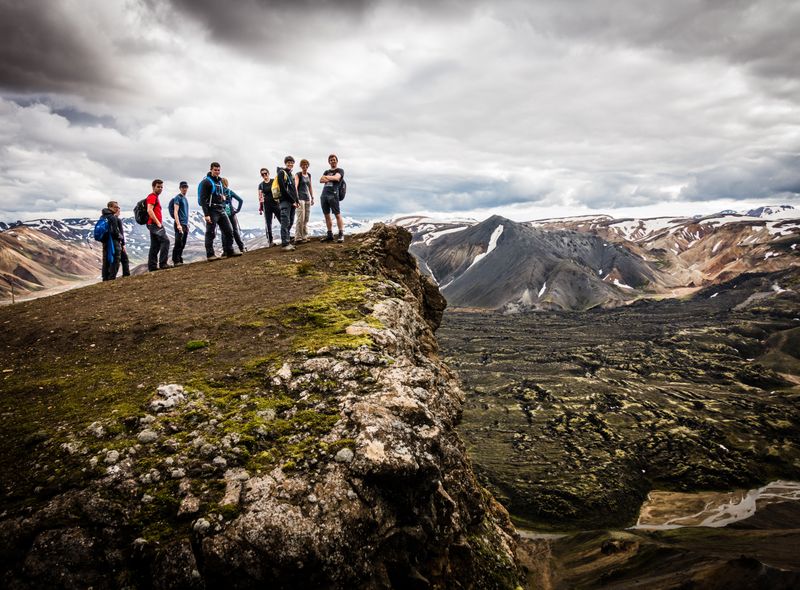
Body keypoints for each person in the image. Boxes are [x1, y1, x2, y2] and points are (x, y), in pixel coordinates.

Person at [200, 162, 240, 260]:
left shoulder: (220, 181)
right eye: (215, 170)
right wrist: (206, 214)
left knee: (229, 230)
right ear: (211, 170)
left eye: (218, 170)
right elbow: (202, 199)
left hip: (221, 209)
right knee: (211, 232)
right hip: (212, 210)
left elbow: (219, 195)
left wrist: (222, 197)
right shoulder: (206, 182)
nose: (217, 172)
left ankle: (230, 251)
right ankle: (210, 255)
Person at [319, 153, 345, 243]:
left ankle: (341, 234)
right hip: (324, 195)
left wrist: (327, 177)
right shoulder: (326, 171)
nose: (332, 161)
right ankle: (330, 235)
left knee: (337, 214)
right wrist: (331, 177)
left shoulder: (340, 170)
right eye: (331, 160)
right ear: (329, 162)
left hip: (333, 194)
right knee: (326, 215)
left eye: (334, 159)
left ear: (336, 161)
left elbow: (337, 178)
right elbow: (321, 180)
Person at [146, 179, 171, 271]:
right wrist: (158, 223)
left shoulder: (155, 197)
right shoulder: (152, 196)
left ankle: (152, 267)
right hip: (154, 224)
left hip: (152, 224)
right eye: (158, 187)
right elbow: (149, 210)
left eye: (161, 187)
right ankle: (163, 263)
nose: (160, 189)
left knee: (155, 245)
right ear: (153, 187)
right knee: (166, 241)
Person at [277, 156, 299, 251]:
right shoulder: (282, 173)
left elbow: (293, 189)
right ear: (285, 163)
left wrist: (297, 200)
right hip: (285, 202)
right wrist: (292, 201)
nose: (290, 164)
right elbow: (282, 189)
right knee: (285, 222)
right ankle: (285, 244)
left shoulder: (291, 174)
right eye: (288, 162)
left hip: (292, 202)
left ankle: (287, 241)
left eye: (292, 162)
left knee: (290, 221)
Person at [221, 177, 246, 253]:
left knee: (224, 232)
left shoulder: (219, 192)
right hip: (231, 213)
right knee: (235, 230)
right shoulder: (229, 191)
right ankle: (241, 248)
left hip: (222, 213)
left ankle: (225, 250)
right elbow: (240, 200)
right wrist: (237, 210)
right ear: (226, 183)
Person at [100, 201, 122, 281]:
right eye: (115, 207)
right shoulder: (112, 217)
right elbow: (115, 232)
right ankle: (112, 277)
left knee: (106, 259)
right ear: (110, 207)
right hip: (113, 241)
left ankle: (105, 278)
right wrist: (120, 237)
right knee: (115, 259)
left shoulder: (102, 216)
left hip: (105, 241)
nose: (117, 208)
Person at [169, 181, 190, 265]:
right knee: (178, 242)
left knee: (183, 243)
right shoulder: (178, 198)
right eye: (183, 187)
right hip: (179, 224)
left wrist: (186, 224)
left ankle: (179, 259)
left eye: (186, 187)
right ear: (180, 188)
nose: (184, 189)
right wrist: (178, 224)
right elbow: (175, 212)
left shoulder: (185, 199)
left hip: (184, 224)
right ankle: (176, 260)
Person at [258, 168, 280, 247]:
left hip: (276, 204)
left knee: (282, 220)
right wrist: (261, 204)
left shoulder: (274, 181)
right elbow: (260, 196)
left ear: (268, 173)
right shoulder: (261, 185)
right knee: (268, 224)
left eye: (265, 173)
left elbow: (278, 190)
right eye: (262, 174)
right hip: (266, 206)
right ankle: (270, 241)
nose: (264, 175)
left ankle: (286, 236)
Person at [294, 159, 314, 243]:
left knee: (306, 218)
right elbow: (295, 185)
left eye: (306, 165)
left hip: (307, 199)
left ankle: (304, 236)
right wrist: (296, 198)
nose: (304, 166)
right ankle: (298, 238)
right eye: (303, 165)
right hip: (300, 199)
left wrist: (312, 197)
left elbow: (310, 186)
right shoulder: (298, 174)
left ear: (308, 166)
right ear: (300, 166)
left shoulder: (309, 175)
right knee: (300, 218)